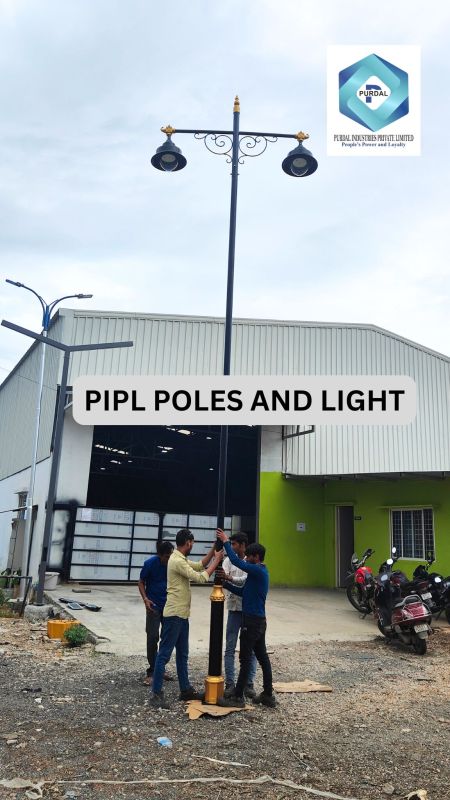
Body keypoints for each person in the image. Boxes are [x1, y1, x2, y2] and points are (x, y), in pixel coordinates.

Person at [150, 528, 223, 709]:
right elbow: (200, 577)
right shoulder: (176, 561)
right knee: (164, 655)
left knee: (183, 654)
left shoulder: (179, 558)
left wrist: (213, 549)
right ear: (188, 542)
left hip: (182, 614)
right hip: (174, 614)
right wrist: (217, 560)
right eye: (192, 543)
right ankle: (156, 694)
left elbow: (199, 565)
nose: (192, 546)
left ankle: (185, 690)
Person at [216, 528, 276, 709]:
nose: (246, 558)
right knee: (262, 657)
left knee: (245, 658)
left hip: (252, 621)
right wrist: (226, 584)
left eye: (249, 556)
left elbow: (235, 561)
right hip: (259, 621)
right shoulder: (258, 573)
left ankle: (237, 697)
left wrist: (225, 541)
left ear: (256, 557)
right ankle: (267, 694)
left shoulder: (257, 570)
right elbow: (243, 592)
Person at [221, 532, 257, 699]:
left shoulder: (249, 563)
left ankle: (249, 684)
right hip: (233, 608)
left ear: (243, 545)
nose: (232, 547)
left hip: (247, 610)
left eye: (234, 544)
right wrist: (227, 579)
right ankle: (230, 683)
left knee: (250, 649)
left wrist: (229, 578)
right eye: (231, 544)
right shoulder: (227, 561)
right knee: (230, 647)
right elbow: (224, 578)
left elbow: (243, 580)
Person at [138, 539, 174, 685]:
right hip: (153, 605)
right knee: (152, 636)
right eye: (166, 556)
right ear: (160, 555)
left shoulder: (173, 563)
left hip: (169, 605)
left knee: (167, 637)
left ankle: (161, 667)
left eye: (170, 556)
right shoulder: (150, 564)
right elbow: (141, 582)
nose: (168, 559)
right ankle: (152, 670)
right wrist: (145, 599)